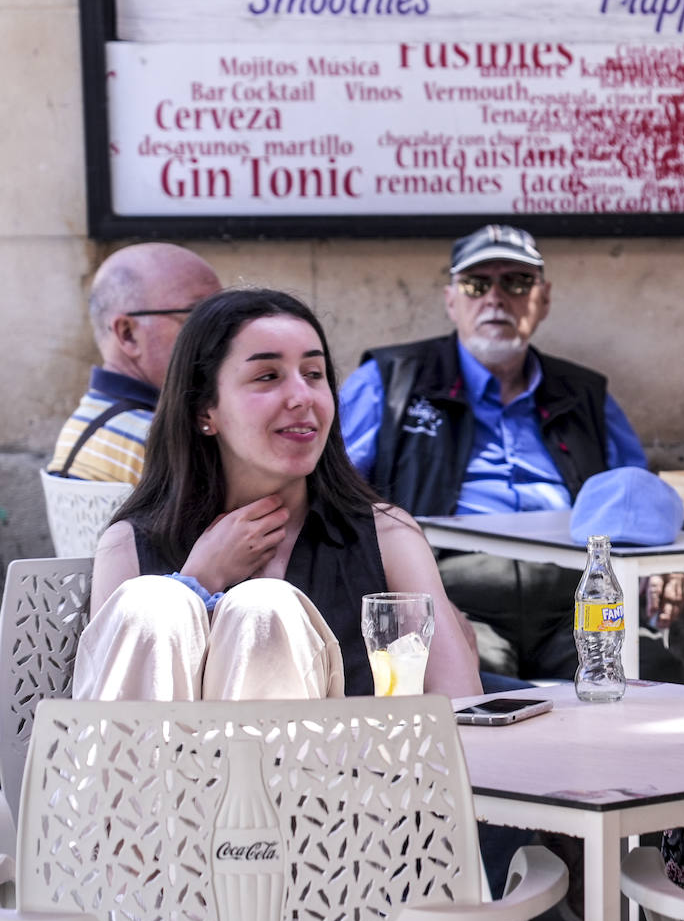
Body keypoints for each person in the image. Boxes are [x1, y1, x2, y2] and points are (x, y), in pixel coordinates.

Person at [74, 288, 483, 701]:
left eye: (314, 374)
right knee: (154, 604)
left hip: (347, 764)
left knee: (264, 609)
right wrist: (196, 583)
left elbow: (460, 704)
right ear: (204, 410)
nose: (302, 397)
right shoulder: (130, 545)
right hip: (161, 763)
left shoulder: (386, 536)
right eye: (267, 376)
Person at [340, 224, 682, 680]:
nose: (496, 299)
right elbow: (335, 489)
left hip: (575, 597)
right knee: (481, 687)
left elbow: (637, 493)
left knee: (655, 672)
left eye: (517, 283)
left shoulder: (583, 393)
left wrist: (664, 560)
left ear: (543, 298)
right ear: (451, 300)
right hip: (452, 591)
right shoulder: (392, 380)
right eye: (477, 284)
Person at [48, 243, 223, 483]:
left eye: (224, 317)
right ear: (128, 334)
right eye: (198, 317)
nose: (222, 335)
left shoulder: (88, 419)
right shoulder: (160, 441)